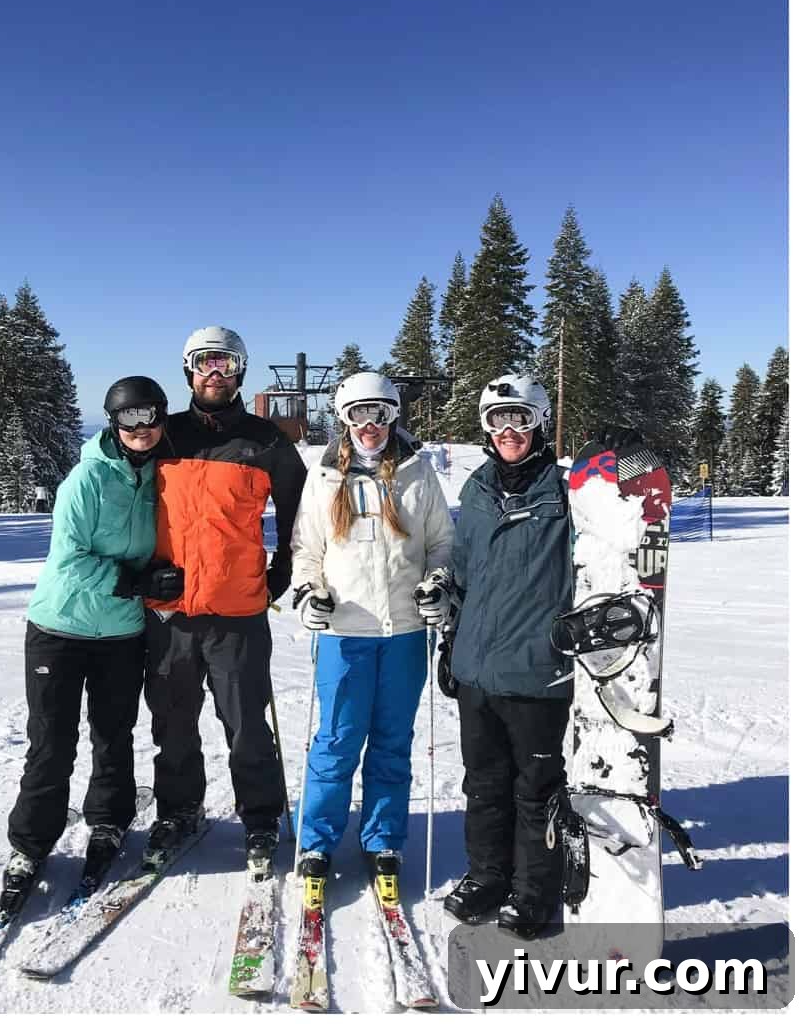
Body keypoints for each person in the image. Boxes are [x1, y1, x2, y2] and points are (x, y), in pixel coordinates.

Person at [0, 376, 181, 908]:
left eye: (150, 417)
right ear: (113, 422)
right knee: (52, 740)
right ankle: (30, 843)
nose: (142, 429)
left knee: (113, 733)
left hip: (122, 634)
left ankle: (108, 820)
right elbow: (71, 556)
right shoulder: (86, 479)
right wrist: (133, 581)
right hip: (60, 629)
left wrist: (166, 576)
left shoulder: (164, 479)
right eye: (130, 419)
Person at [141, 325, 306, 870]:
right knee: (173, 721)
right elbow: (125, 510)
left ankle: (260, 817)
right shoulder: (162, 436)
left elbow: (299, 513)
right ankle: (179, 810)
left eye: (226, 364)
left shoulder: (267, 441)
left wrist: (282, 570)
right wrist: (142, 573)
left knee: (246, 723)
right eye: (205, 363)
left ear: (241, 371)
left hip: (237, 609)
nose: (215, 373)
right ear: (188, 369)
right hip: (170, 612)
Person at [418, 373, 573, 939]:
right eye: (497, 421)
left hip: (537, 668)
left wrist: (622, 455)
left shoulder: (565, 490)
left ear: (540, 423)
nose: (509, 431)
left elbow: (625, 498)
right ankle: (487, 877)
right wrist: (450, 638)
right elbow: (462, 572)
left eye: (521, 419)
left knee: (535, 789)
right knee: (483, 784)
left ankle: (536, 893)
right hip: (478, 669)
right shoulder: (477, 491)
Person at [288, 373, 453, 887]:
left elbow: (442, 545)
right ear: (343, 418)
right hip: (344, 632)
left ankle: (383, 838)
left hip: (404, 631)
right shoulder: (323, 478)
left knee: (391, 741)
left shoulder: (418, 473)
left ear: (393, 416)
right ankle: (315, 841)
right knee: (337, 741)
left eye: (380, 414)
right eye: (359, 414)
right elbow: (305, 550)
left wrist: (438, 583)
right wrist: (306, 594)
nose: (370, 425)